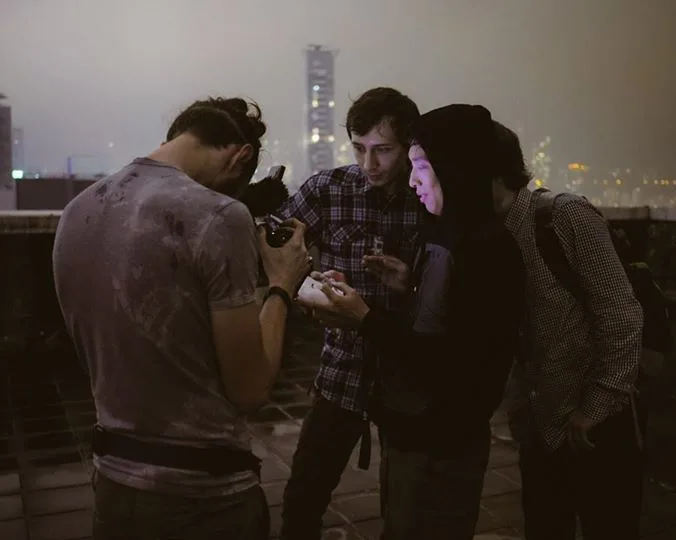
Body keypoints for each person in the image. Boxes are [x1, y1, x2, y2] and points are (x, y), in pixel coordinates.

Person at [52, 97, 311, 540]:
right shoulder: (219, 215)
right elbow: (250, 390)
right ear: (241, 156)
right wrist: (282, 283)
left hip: (113, 481)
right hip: (205, 496)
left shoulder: (78, 209)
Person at [303, 104, 526, 539]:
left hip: (444, 440)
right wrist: (410, 286)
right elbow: (440, 320)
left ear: (455, 171)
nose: (412, 180)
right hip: (410, 427)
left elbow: (449, 359)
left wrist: (363, 317)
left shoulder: (488, 250)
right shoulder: (443, 231)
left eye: (422, 167)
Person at [277, 87, 425, 539]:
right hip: (344, 364)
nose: (369, 164)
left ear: (409, 146)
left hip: (408, 366)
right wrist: (310, 291)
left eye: (383, 150)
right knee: (305, 491)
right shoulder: (329, 189)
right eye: (359, 149)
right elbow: (275, 251)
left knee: (408, 503)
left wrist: (409, 284)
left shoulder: (427, 195)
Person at [494, 123, 645, 538]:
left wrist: (596, 408)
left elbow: (621, 315)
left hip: (597, 424)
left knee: (609, 526)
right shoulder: (491, 234)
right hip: (540, 426)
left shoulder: (563, 215)